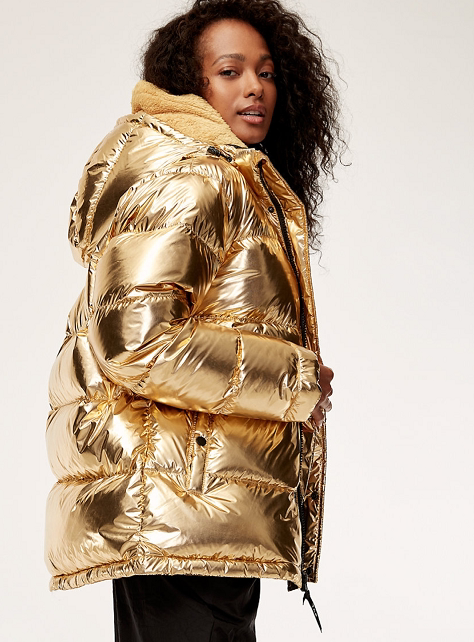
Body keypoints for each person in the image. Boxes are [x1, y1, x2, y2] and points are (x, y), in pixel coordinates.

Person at [44, 0, 345, 639]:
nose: (254, 87)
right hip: (179, 502)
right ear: (192, 84)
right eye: (230, 72)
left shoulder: (222, 173)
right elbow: (137, 340)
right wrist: (291, 380)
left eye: (266, 72)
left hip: (193, 503)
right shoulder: (194, 178)